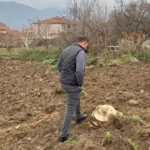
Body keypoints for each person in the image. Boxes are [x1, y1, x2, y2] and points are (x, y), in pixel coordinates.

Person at [57, 37, 89, 142]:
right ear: (84, 43)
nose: (87, 48)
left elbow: (59, 66)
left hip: (64, 82)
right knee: (70, 108)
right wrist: (80, 83)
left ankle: (79, 116)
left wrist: (64, 78)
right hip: (72, 83)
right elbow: (79, 71)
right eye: (87, 45)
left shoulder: (66, 49)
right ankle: (64, 134)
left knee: (76, 95)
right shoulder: (80, 52)